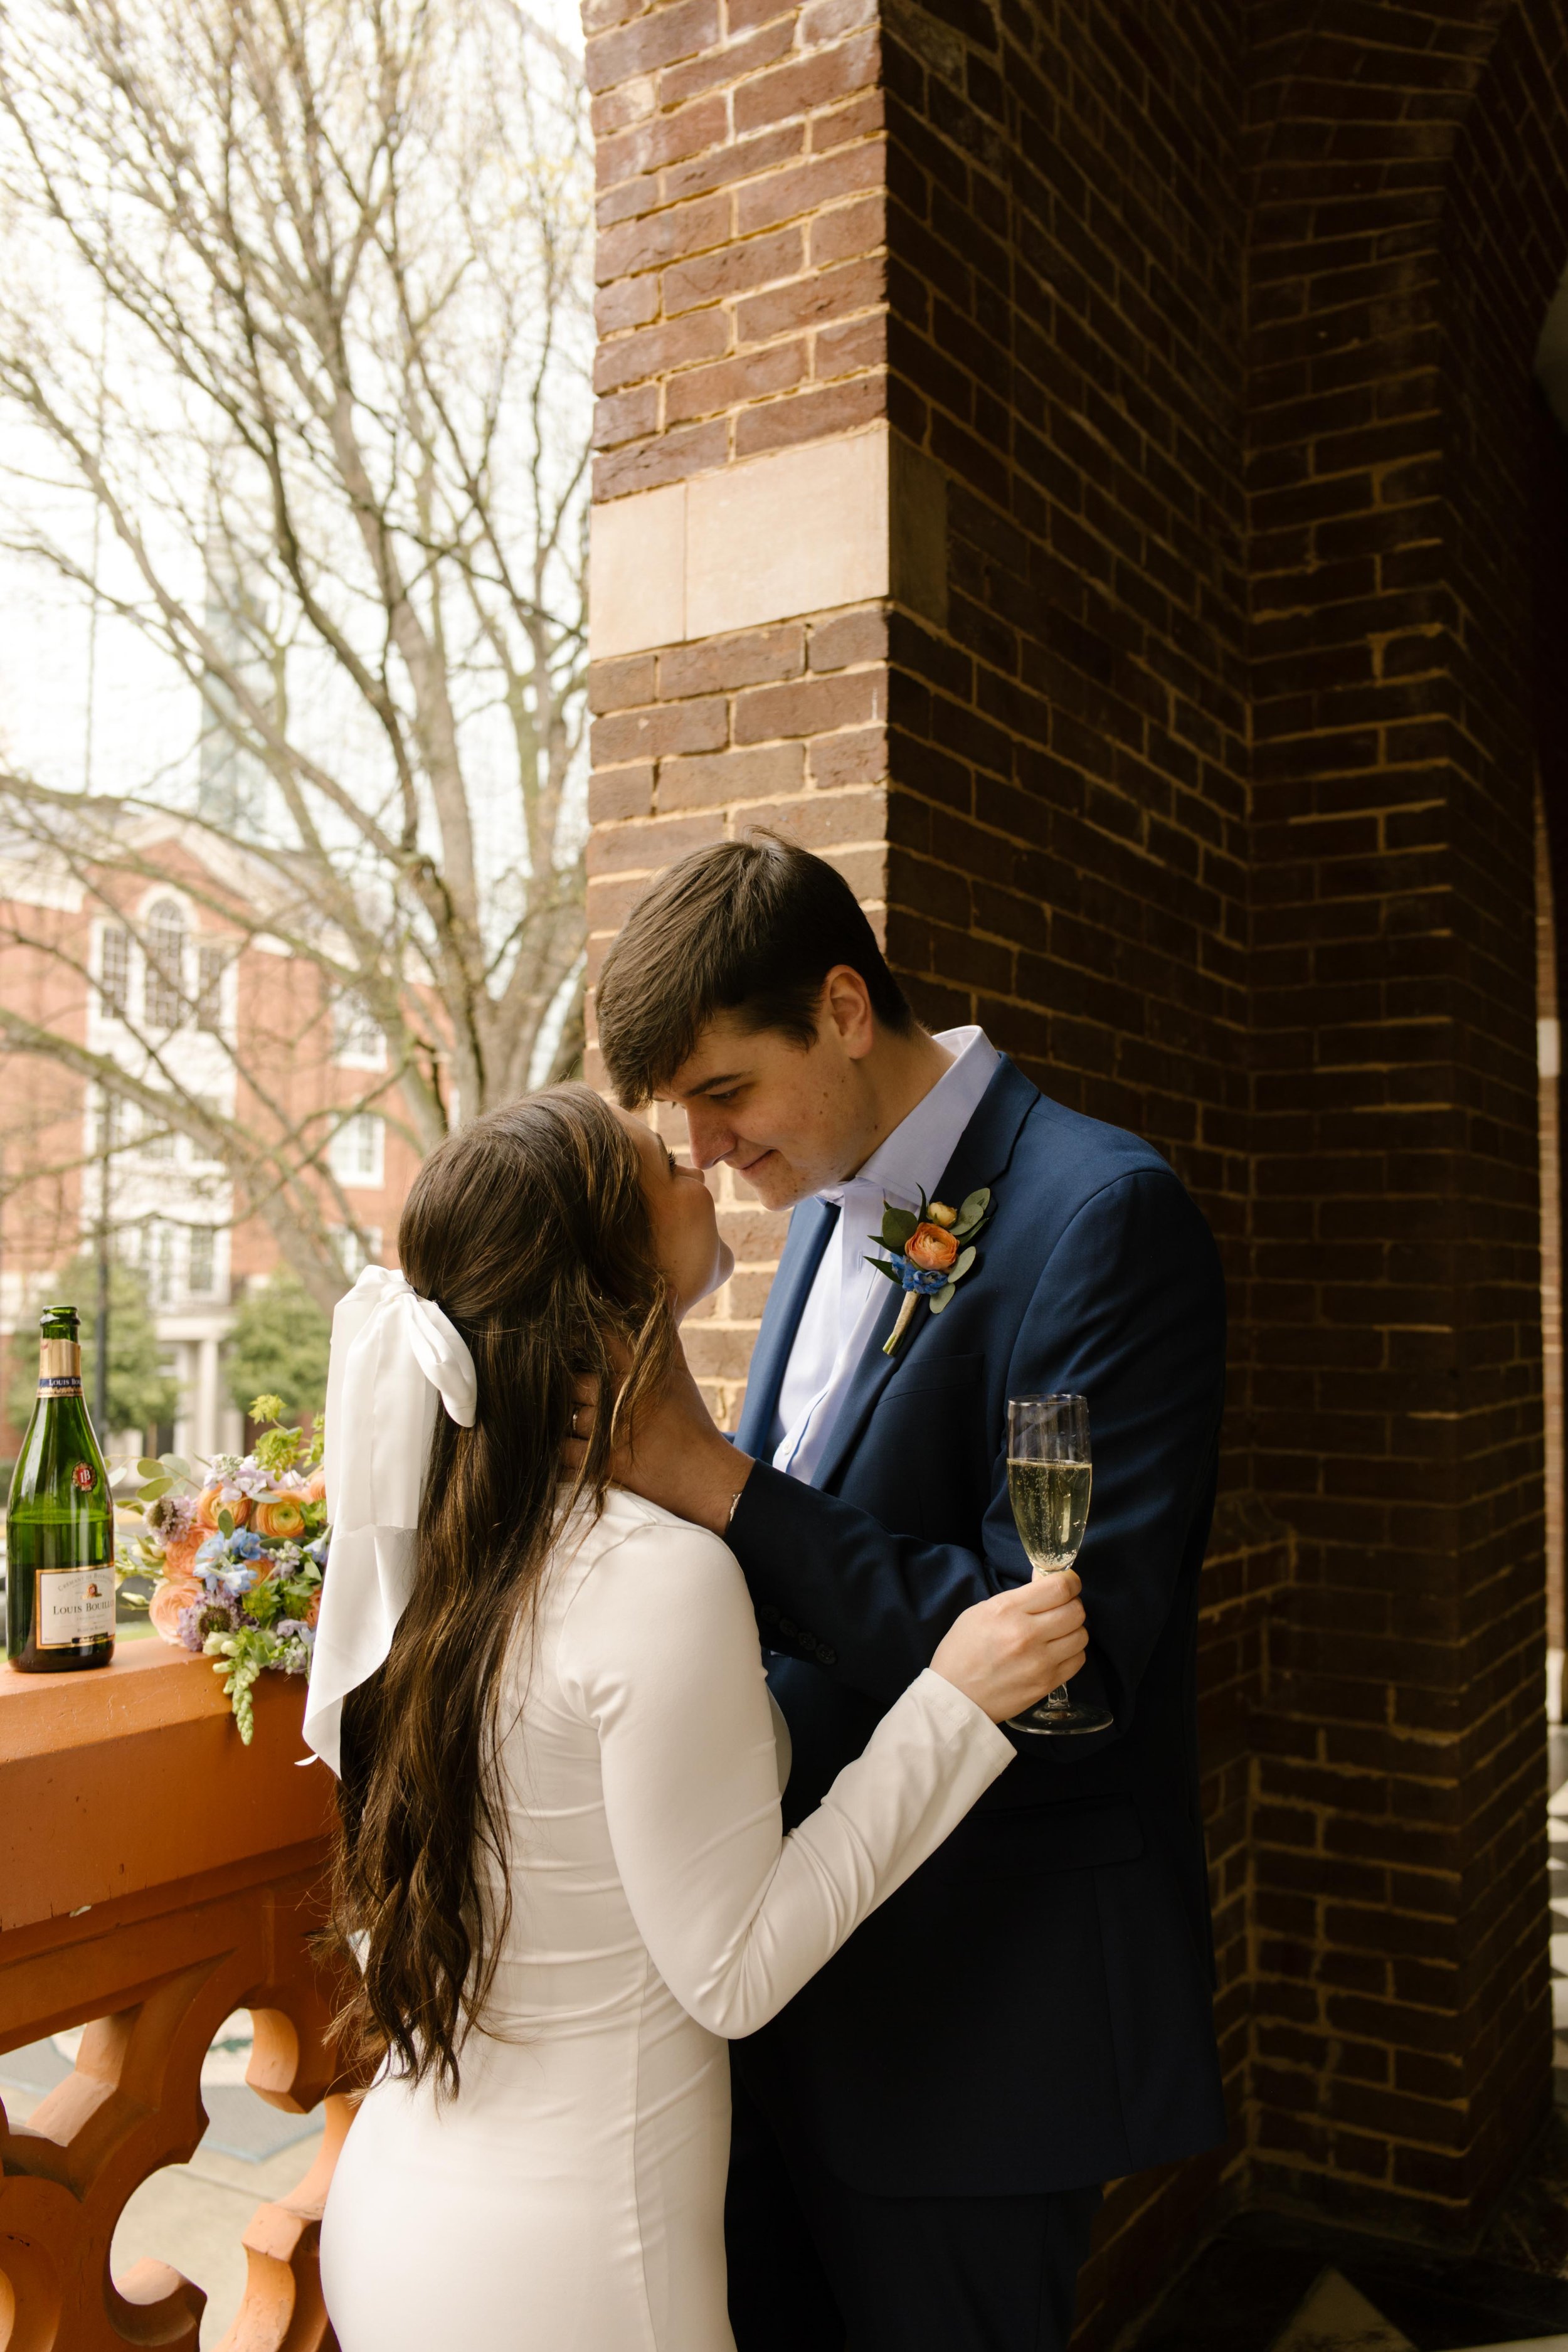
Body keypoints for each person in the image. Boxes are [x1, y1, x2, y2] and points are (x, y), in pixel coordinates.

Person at [309, 1084, 1088, 2352]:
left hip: (398, 2221)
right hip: (577, 2274)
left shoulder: (441, 1567)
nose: (702, 1170)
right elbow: (731, 1974)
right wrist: (950, 1703)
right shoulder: (647, 1576)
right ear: (610, 1267)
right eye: (662, 1166)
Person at [591, 834, 1231, 2352]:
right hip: (783, 1979)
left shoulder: (1101, 1218)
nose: (702, 1155)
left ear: (838, 1005)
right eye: (674, 1115)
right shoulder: (822, 1201)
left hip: (974, 2022)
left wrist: (719, 1484)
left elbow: (1063, 1659)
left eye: (721, 1093)